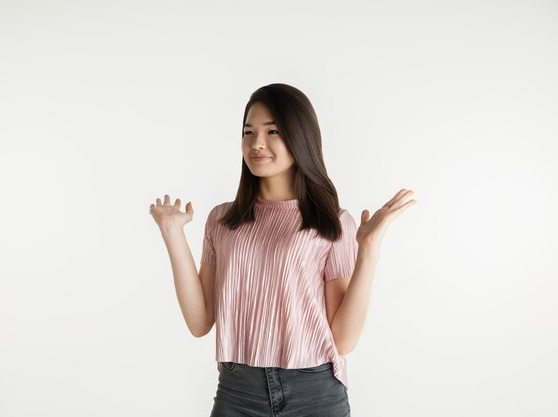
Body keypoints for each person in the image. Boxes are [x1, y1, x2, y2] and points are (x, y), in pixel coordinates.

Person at [149, 83, 417, 416]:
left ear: (300, 137)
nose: (256, 143)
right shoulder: (222, 220)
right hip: (237, 392)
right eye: (248, 131)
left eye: (272, 131)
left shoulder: (331, 223)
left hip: (314, 393)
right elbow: (200, 321)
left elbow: (344, 340)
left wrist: (369, 250)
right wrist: (172, 233)